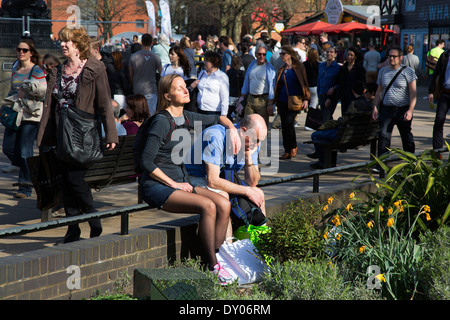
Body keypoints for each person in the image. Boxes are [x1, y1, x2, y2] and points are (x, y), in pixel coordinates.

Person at [139, 74, 239, 285]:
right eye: (179, 88)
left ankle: (217, 257)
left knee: (223, 203)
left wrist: (232, 130)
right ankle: (212, 266)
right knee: (209, 207)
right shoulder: (161, 121)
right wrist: (174, 184)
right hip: (158, 185)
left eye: (185, 87)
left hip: (181, 181)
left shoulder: (186, 117)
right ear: (167, 95)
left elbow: (218, 117)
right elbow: (146, 162)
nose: (186, 90)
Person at [37, 26, 118, 243]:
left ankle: (94, 217)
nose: (62, 44)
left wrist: (111, 134)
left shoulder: (95, 68)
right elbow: (50, 104)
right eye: (62, 41)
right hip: (60, 134)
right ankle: (72, 229)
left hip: (83, 134)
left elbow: (104, 103)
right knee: (66, 182)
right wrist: (44, 135)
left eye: (67, 41)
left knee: (75, 179)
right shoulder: (58, 70)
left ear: (78, 45)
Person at [185, 113, 268, 238]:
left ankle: (261, 244)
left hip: (222, 178)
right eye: (256, 141)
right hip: (194, 178)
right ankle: (226, 249)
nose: (257, 145)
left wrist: (248, 156)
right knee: (223, 198)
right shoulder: (216, 136)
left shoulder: (252, 141)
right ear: (244, 131)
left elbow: (252, 182)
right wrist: (246, 191)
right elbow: (212, 181)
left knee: (258, 193)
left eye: (259, 141)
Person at [2, 37, 47, 199]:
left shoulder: (37, 70)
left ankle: (25, 187)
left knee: (25, 151)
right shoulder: (15, 66)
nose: (21, 53)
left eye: (25, 50)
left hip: (30, 114)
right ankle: (32, 171)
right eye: (19, 49)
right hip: (14, 112)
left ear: (31, 52)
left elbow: (43, 91)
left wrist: (28, 89)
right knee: (8, 148)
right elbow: (12, 90)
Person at [309, 81, 374, 169]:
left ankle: (323, 161)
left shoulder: (354, 104)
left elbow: (344, 121)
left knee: (315, 135)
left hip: (346, 136)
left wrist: (338, 120)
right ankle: (330, 161)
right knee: (329, 134)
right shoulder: (372, 104)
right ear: (364, 91)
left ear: (353, 91)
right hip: (362, 135)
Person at [372, 47, 417, 160]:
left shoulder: (408, 72)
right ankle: (382, 163)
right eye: (389, 56)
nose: (391, 58)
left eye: (394, 56)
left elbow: (413, 94)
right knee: (383, 136)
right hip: (387, 109)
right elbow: (379, 91)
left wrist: (410, 111)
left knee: (406, 136)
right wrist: (375, 107)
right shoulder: (383, 71)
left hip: (403, 109)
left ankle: (410, 162)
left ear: (400, 58)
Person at [274, 45, 310, 160]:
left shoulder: (299, 67)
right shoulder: (282, 69)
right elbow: (278, 86)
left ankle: (293, 147)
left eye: (283, 54)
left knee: (289, 123)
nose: (281, 56)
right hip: (282, 100)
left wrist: (306, 98)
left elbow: (305, 83)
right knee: (284, 125)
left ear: (290, 54)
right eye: (280, 54)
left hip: (295, 101)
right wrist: (275, 100)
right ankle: (287, 150)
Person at [189, 51, 233, 128]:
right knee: (199, 135)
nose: (204, 62)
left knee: (210, 135)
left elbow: (225, 97)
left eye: (206, 60)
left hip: (213, 112)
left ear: (213, 62)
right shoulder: (202, 73)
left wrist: (224, 115)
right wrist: (192, 86)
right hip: (199, 110)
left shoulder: (222, 76)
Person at [239, 44, 277, 127]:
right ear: (256, 54)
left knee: (261, 126)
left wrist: (270, 104)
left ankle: (261, 140)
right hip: (250, 98)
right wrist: (242, 96)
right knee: (247, 124)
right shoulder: (252, 65)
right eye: (259, 54)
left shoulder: (270, 69)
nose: (261, 56)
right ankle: (247, 140)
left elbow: (272, 87)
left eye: (264, 54)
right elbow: (246, 81)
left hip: (263, 100)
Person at [128, 33, 162, 115]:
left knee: (138, 116)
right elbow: (162, 74)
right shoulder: (156, 57)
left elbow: (130, 76)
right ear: (151, 43)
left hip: (137, 90)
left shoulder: (133, 56)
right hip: (151, 90)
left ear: (141, 42)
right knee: (150, 116)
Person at [427, 47, 450, 152]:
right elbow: (436, 73)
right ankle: (437, 152)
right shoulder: (445, 55)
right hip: (445, 93)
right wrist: (431, 91)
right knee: (439, 121)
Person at [335, 47, 366, 116]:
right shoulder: (343, 68)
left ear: (355, 56)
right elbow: (339, 81)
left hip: (355, 95)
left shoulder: (359, 69)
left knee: (353, 114)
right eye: (348, 55)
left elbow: (362, 82)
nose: (349, 57)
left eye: (351, 55)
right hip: (344, 95)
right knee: (344, 115)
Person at [317, 45, 340, 123]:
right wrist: (318, 94)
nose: (329, 54)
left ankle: (326, 133)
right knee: (325, 117)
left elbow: (340, 83)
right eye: (327, 52)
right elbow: (319, 80)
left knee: (326, 118)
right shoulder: (321, 66)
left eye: (331, 52)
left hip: (331, 96)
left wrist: (333, 88)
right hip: (321, 95)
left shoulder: (337, 67)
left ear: (335, 54)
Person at [303, 48, 319, 130]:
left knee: (309, 105)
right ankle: (309, 124)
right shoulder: (318, 65)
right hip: (315, 87)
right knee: (313, 106)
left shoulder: (304, 64)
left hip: (306, 87)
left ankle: (309, 124)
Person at [226, 54, 245, 119]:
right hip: (239, 96)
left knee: (229, 114)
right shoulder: (242, 73)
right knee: (240, 114)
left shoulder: (228, 72)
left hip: (230, 95)